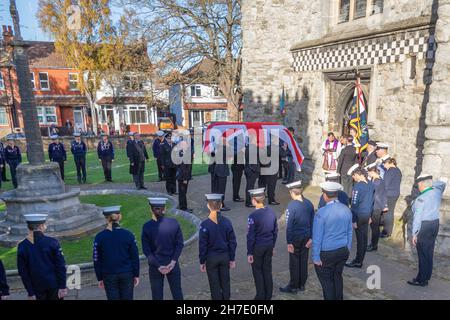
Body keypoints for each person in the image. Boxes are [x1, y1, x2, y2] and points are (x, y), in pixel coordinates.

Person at [312, 181, 353, 300]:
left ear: (325, 195)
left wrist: (315, 257)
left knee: (327, 283)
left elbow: (317, 237)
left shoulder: (321, 213)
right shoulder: (346, 209)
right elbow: (349, 232)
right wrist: (348, 248)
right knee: (337, 277)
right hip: (342, 250)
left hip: (327, 253)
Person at [93, 206, 140, 300]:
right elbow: (135, 257)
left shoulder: (99, 237)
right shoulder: (128, 235)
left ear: (106, 219)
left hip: (109, 275)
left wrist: (99, 277)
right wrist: (136, 274)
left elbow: (96, 259)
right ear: (119, 217)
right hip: (126, 273)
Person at [17, 214, 67, 300]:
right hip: (54, 285)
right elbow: (61, 266)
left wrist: (30, 292)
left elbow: (23, 272)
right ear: (41, 226)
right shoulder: (52, 242)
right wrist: (62, 286)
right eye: (44, 224)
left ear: (29, 227)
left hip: (35, 287)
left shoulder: (22, 246)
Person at [142, 198, 184, 300]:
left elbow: (146, 250)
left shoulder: (147, 226)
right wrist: (173, 261)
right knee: (177, 292)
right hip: (172, 264)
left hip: (155, 265)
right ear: (164, 209)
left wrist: (158, 266)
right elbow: (179, 244)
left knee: (157, 295)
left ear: (151, 210)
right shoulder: (174, 223)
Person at [408, 175, 446, 287]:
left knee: (422, 254)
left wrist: (415, 233)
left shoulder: (421, 199)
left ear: (422, 184)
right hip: (434, 224)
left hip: (424, 226)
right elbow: (442, 184)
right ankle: (427, 276)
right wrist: (431, 181)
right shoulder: (436, 191)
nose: (418, 186)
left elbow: (417, 218)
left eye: (419, 184)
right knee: (429, 252)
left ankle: (421, 279)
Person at [199, 194, 237, 300]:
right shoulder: (227, 222)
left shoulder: (205, 224)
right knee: (225, 281)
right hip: (225, 256)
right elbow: (232, 242)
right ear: (220, 206)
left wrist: (202, 261)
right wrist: (232, 258)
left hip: (211, 258)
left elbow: (202, 245)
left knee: (214, 284)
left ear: (208, 206)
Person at [279, 180, 314, 294]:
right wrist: (311, 238)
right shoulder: (309, 203)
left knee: (294, 263)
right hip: (307, 236)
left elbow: (289, 226)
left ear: (292, 193)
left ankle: (293, 286)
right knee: (303, 261)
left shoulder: (291, 206)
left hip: (295, 238)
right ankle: (302, 284)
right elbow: (313, 222)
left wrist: (289, 242)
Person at [247, 187, 278, 300]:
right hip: (269, 245)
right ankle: (268, 295)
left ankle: (260, 296)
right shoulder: (271, 212)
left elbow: (250, 236)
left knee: (258, 271)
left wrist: (249, 252)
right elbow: (275, 231)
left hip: (258, 247)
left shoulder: (253, 216)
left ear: (254, 200)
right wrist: (273, 245)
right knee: (267, 270)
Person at [345, 165, 374, 268]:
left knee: (360, 240)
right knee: (364, 238)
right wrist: (370, 215)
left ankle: (358, 261)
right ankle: (359, 260)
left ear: (358, 175)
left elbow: (354, 205)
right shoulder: (370, 184)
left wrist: (353, 220)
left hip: (359, 216)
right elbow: (371, 202)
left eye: (354, 176)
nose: (353, 178)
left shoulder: (357, 186)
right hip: (366, 215)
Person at [365, 163, 388, 252]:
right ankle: (373, 244)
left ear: (373, 172)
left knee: (374, 227)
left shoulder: (377, 182)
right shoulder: (377, 180)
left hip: (375, 207)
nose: (368, 174)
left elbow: (375, 196)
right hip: (377, 206)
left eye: (369, 172)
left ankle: (374, 245)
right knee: (374, 227)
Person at [380, 157, 402, 238]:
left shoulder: (389, 172)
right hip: (395, 193)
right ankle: (388, 230)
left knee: (387, 213)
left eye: (384, 163)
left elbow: (385, 185)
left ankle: (386, 232)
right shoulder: (398, 170)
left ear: (389, 163)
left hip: (389, 194)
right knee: (390, 212)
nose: (384, 165)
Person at [209, 136, 231, 211]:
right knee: (221, 189)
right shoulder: (223, 148)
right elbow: (230, 155)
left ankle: (216, 204)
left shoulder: (216, 148)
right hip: (222, 171)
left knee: (216, 189)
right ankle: (220, 205)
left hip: (216, 170)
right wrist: (228, 146)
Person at [176, 139, 193, 213]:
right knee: (182, 192)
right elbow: (183, 167)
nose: (186, 145)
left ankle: (182, 206)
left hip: (182, 176)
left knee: (182, 192)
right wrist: (185, 178)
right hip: (183, 176)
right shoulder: (182, 153)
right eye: (184, 144)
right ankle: (183, 207)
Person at [244, 135, 261, 207]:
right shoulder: (254, 148)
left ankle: (249, 201)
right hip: (252, 169)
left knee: (249, 186)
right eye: (255, 139)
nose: (256, 140)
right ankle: (248, 202)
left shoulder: (248, 147)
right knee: (250, 186)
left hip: (248, 169)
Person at [231, 136, 245, 202]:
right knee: (236, 182)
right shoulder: (236, 148)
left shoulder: (237, 147)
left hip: (237, 166)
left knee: (236, 182)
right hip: (237, 167)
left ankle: (236, 196)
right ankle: (235, 197)